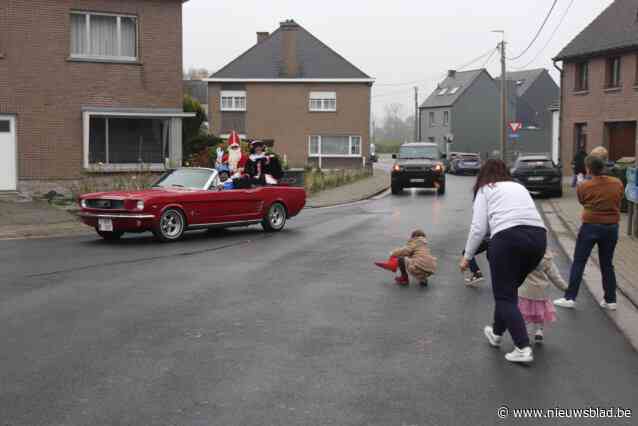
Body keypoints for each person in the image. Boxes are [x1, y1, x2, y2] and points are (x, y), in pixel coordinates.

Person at [460, 159, 547, 363]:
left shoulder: (485, 189)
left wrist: (467, 256)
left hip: (507, 240)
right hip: (538, 238)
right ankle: (497, 333)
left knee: (505, 297)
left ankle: (522, 347)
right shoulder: (519, 186)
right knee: (507, 291)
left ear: (483, 175)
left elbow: (479, 228)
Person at [554, 155, 624, 311]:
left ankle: (570, 298)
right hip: (612, 226)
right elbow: (619, 198)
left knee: (579, 261)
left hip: (591, 225)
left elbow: (582, 201)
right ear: (603, 167)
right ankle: (611, 300)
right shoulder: (617, 182)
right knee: (607, 263)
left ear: (588, 169)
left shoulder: (584, 186)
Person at [518, 251, 567, 344]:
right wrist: (564, 287)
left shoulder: (523, 255)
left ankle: (526, 334)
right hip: (541, 292)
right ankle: (539, 331)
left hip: (526, 291)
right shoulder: (547, 259)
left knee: (525, 314)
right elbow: (555, 276)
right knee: (541, 313)